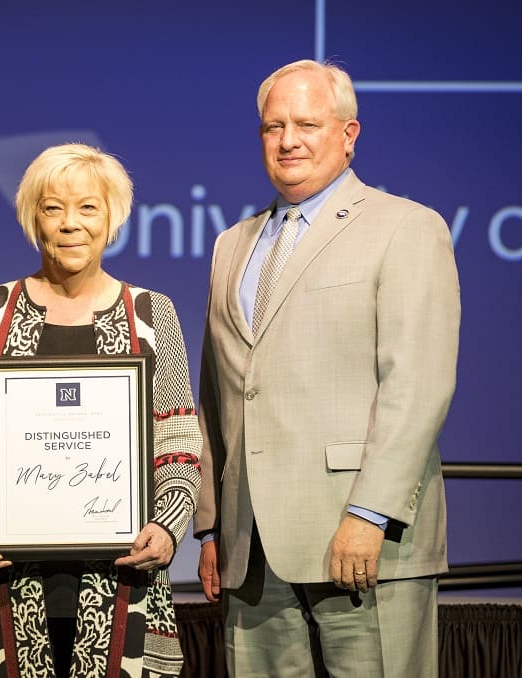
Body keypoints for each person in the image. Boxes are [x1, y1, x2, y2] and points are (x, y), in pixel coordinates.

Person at [194, 59, 460, 676]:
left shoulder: (406, 228)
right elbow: (218, 392)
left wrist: (371, 514)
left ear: (349, 134)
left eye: (307, 124)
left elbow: (417, 387)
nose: (288, 140)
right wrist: (211, 528)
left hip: (362, 539)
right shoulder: (231, 244)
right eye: (273, 126)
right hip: (250, 549)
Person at [0, 143, 202, 677]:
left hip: (123, 579)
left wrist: (169, 527)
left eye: (88, 208)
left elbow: (178, 440)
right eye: (52, 207)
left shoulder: (151, 315)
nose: (70, 224)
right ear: (33, 219)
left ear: (113, 219)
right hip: (6, 578)